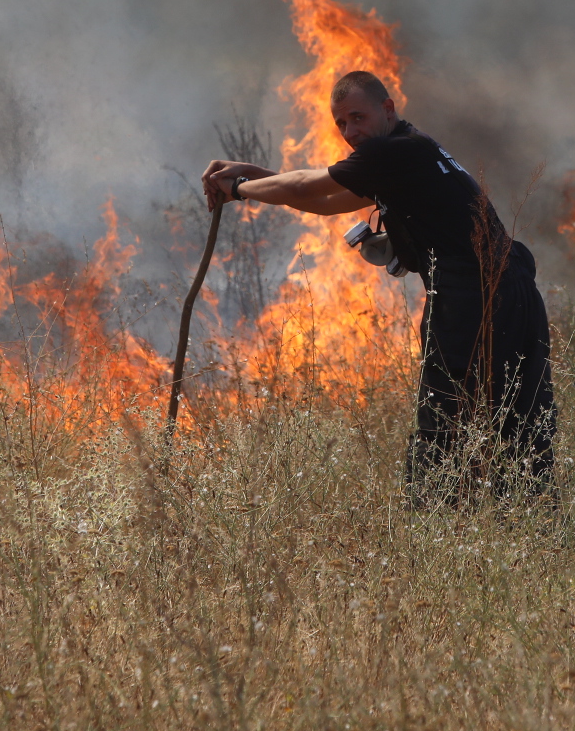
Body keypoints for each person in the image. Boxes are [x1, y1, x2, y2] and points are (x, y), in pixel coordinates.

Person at [201, 71, 556, 502]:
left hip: (473, 294)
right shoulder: (409, 150)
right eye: (341, 124)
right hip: (512, 288)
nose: (351, 132)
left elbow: (304, 186)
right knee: (519, 417)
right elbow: (321, 202)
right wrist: (253, 176)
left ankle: (435, 522)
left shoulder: (393, 152)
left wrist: (236, 188)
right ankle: (526, 515)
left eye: (358, 117)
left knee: (447, 419)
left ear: (387, 109)